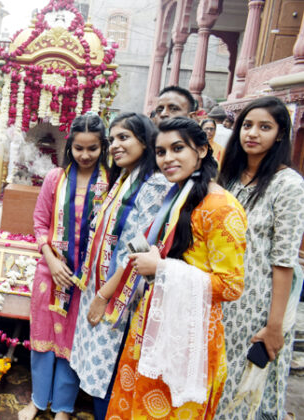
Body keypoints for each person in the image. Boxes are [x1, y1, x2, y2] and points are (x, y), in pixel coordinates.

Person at [105, 117, 247, 419]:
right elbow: (143, 243)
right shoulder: (174, 194)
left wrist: (163, 269)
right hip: (152, 321)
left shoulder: (220, 207)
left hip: (187, 335)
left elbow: (232, 286)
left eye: (177, 148)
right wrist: (106, 292)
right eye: (160, 152)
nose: (168, 158)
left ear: (203, 150)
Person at [70, 113, 170, 419]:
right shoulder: (124, 178)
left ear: (146, 141)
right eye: (112, 139)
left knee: (112, 372)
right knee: (100, 368)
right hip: (102, 286)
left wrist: (103, 296)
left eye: (123, 138)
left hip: (123, 293)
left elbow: (139, 248)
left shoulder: (154, 183)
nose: (115, 145)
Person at [215, 97, 304, 420]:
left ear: (280, 134)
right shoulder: (230, 179)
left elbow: (284, 260)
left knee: (248, 392)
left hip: (258, 306)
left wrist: (274, 326)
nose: (252, 133)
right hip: (222, 300)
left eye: (265, 127)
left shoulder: (289, 185)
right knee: (217, 383)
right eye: (247, 125)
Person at [18, 114, 109, 420]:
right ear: (70, 146)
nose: (85, 155)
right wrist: (53, 261)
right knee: (43, 339)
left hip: (87, 279)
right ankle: (37, 401)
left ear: (102, 148)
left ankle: (63, 408)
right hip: (51, 272)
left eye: (92, 149)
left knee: (73, 341)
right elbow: (40, 223)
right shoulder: (55, 177)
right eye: (79, 148)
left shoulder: (110, 182)